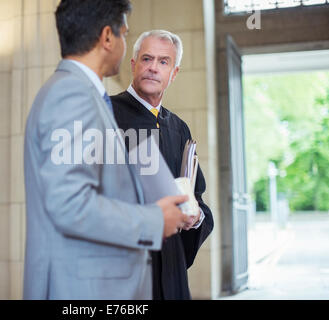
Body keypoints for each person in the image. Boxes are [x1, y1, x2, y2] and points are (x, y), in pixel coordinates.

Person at [23, 1, 191, 300]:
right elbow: (70, 204)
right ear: (107, 37)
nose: (126, 45)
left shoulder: (81, 93)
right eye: (125, 34)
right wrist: (153, 219)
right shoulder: (72, 94)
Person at [111, 30, 214, 300]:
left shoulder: (178, 128)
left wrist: (195, 217)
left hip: (171, 268)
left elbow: (197, 197)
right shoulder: (106, 114)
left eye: (163, 62)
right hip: (127, 271)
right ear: (133, 64)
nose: (153, 68)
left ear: (174, 72)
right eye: (146, 59)